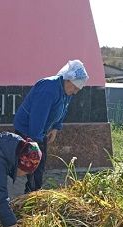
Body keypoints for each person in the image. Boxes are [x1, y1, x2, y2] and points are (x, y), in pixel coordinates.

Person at [13, 59, 89, 193]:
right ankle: (32, 194)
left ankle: (34, 192)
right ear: (68, 80)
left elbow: (63, 108)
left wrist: (56, 127)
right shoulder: (48, 89)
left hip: (42, 131)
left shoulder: (66, 91)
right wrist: (35, 143)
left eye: (78, 89)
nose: (76, 92)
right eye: (75, 88)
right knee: (33, 165)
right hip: (28, 130)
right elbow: (37, 117)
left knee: (39, 165)